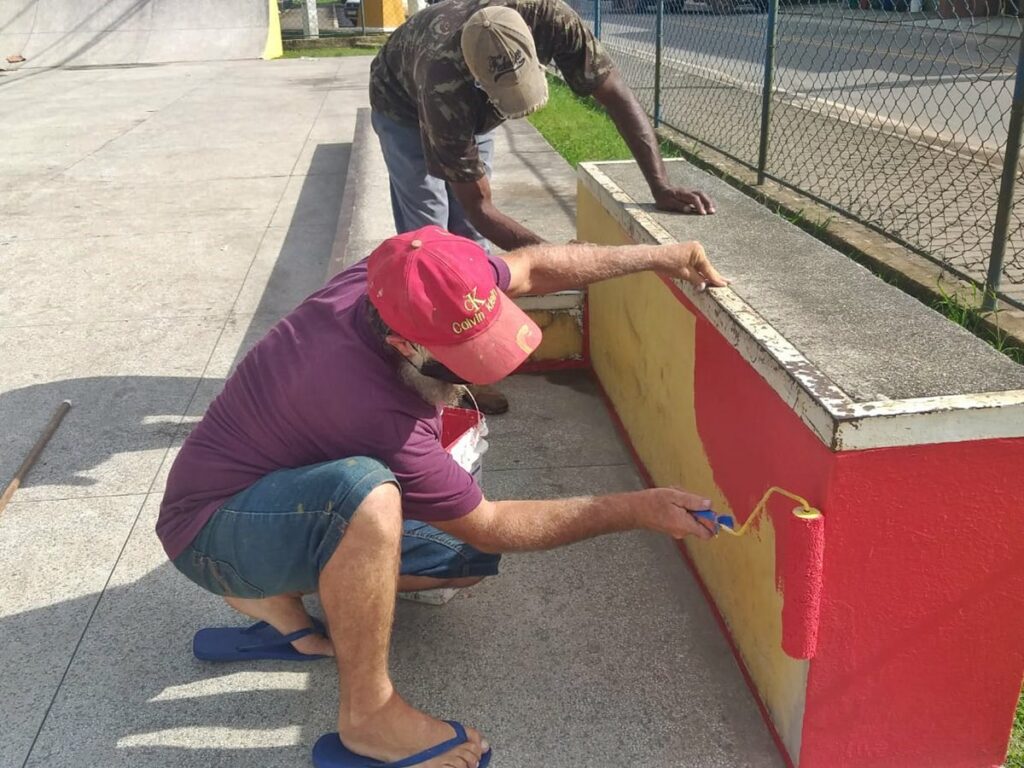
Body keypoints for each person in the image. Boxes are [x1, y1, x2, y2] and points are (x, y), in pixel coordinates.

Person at [157, 227, 728, 767]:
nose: (482, 375)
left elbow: (532, 266)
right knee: (367, 496)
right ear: (403, 343)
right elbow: (493, 521)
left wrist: (660, 257)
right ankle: (369, 716)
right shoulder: (364, 405)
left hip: (271, 495)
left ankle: (280, 605)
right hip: (210, 531)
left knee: (464, 563)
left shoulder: (418, 279)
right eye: (461, 359)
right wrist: (638, 508)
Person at [369, 0, 716, 415]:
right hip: (404, 106)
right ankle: (427, 382)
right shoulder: (444, 82)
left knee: (472, 248)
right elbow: (480, 206)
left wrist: (659, 184)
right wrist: (560, 260)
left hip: (466, 102)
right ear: (480, 82)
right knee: (427, 249)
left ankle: (471, 371)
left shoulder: (552, 18)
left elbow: (616, 95)